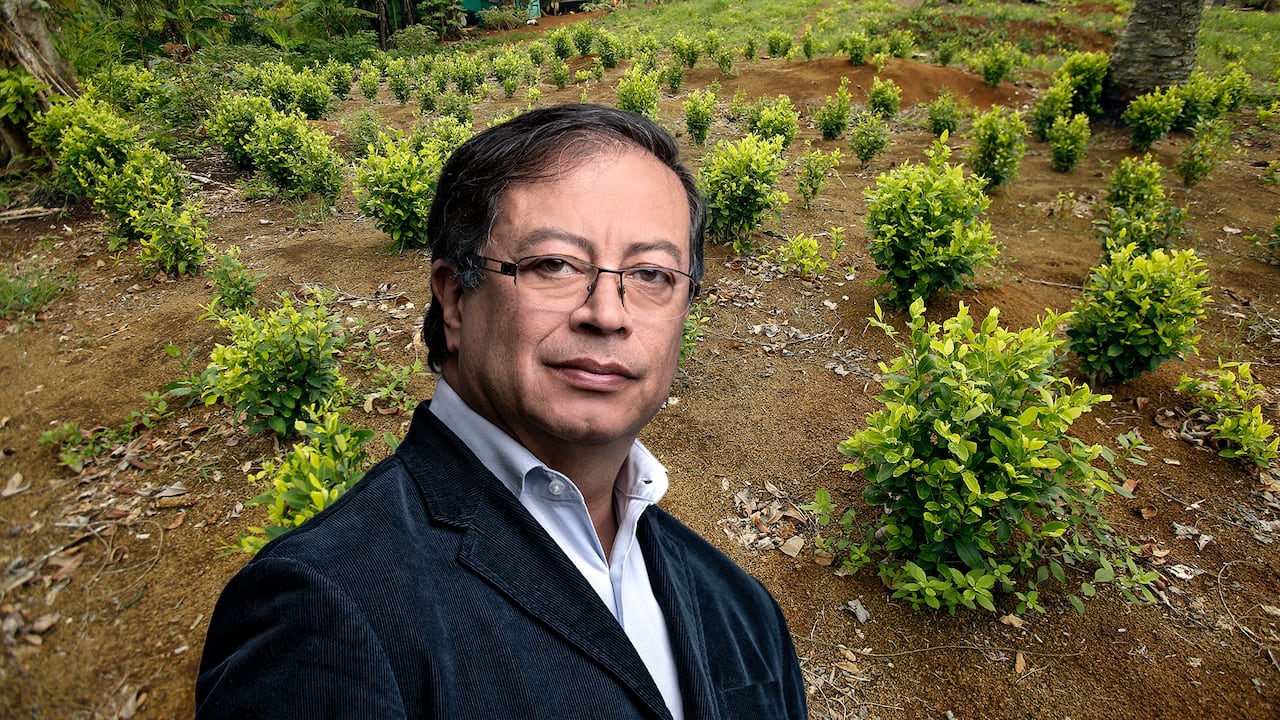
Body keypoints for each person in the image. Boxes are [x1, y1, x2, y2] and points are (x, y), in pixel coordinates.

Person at [195, 104, 808, 719]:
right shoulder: (325, 607)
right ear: (456, 298)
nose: (608, 313)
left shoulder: (743, 609)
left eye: (652, 274)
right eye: (554, 265)